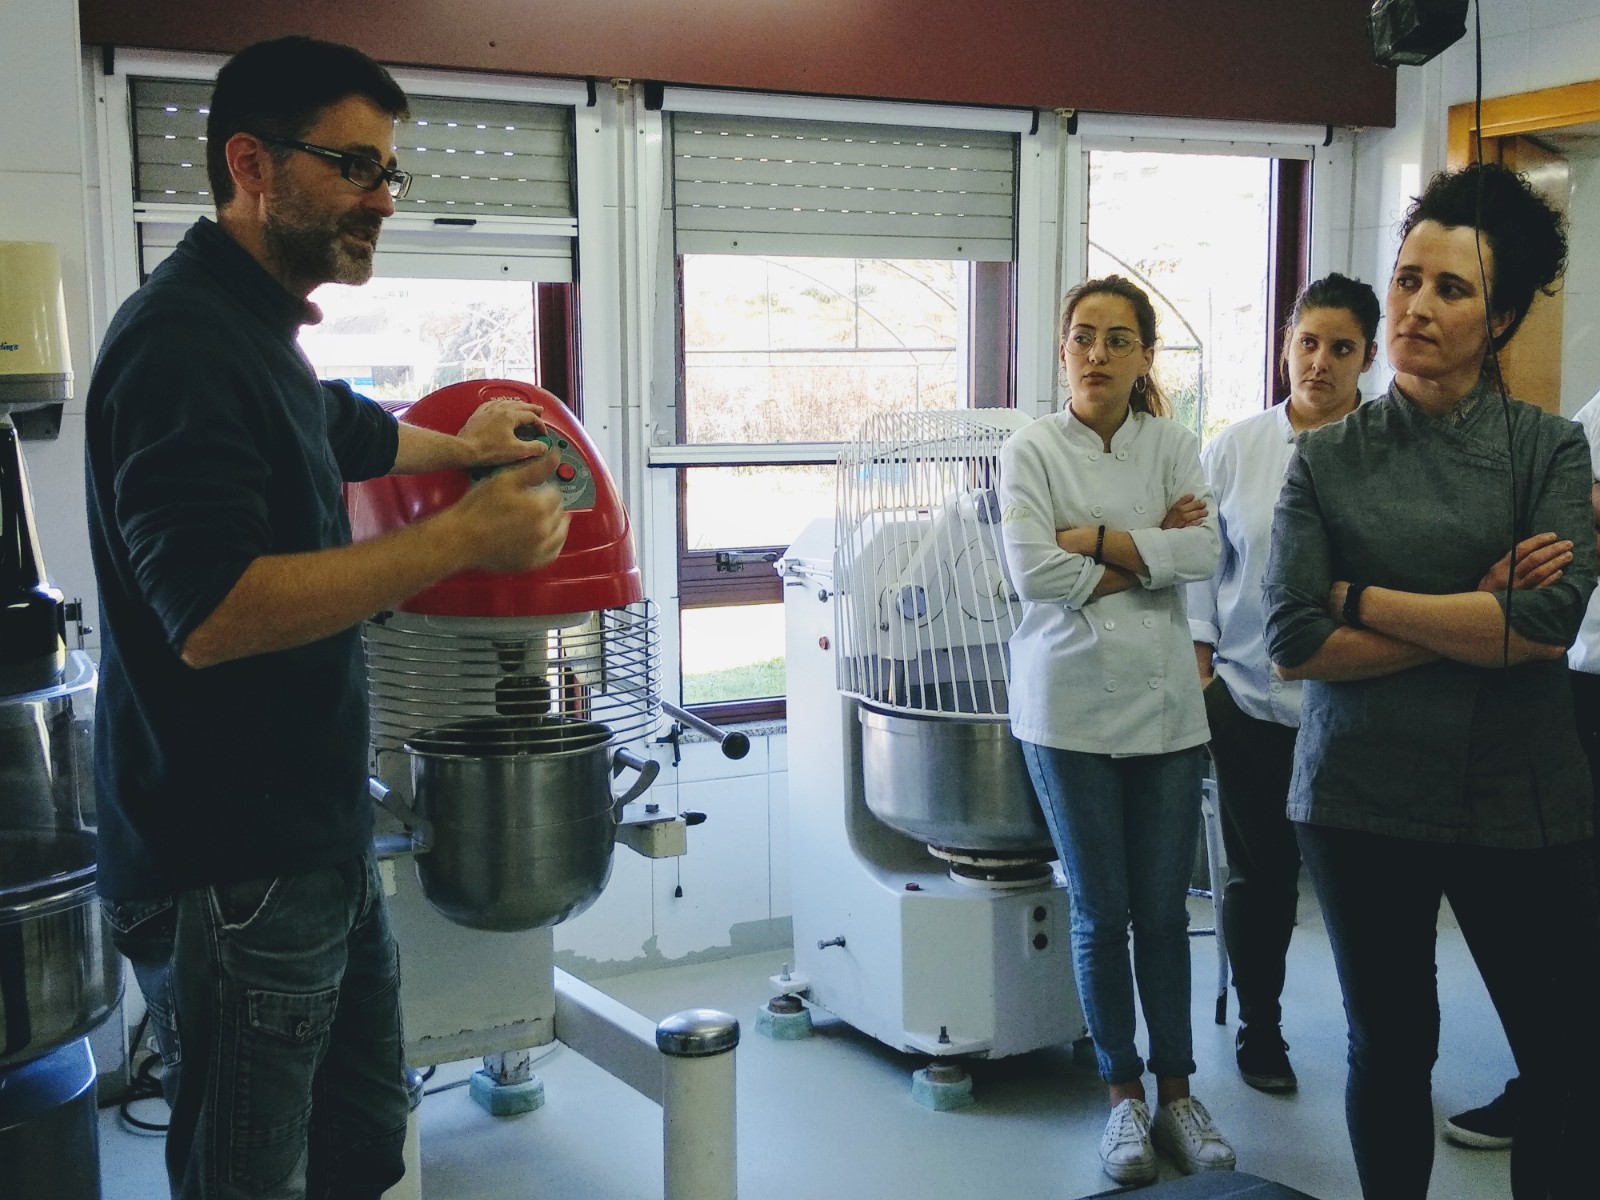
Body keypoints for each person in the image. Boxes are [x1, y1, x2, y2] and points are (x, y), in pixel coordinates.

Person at [85, 37, 571, 1200]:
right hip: (231, 864)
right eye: (353, 166)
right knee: (249, 1176)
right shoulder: (181, 344)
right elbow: (209, 612)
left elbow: (333, 425)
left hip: (311, 837)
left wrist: (459, 447)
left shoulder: (249, 327)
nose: (382, 199)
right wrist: (460, 538)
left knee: (361, 1148)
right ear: (251, 165)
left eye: (389, 170)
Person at [1263, 163, 1600, 1200]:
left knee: (1568, 1058)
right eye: (1408, 278)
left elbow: (1544, 625)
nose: (1413, 306)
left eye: (1450, 289)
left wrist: (1362, 599)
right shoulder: (1326, 459)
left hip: (1521, 796)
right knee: (1391, 1046)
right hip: (1361, 795)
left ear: (1499, 320)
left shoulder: (1550, 449)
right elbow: (1293, 638)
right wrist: (1470, 609)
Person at [999, 275, 1232, 1186]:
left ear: (1145, 358)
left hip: (1168, 711)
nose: (1097, 353)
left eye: (1118, 339)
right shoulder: (1030, 450)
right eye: (1083, 336)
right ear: (1063, 349)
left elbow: (1205, 551)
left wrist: (1090, 537)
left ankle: (1179, 1096)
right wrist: (1147, 548)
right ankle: (1122, 1098)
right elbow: (1032, 574)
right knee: (1101, 914)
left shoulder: (1175, 445)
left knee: (1164, 914)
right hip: (1066, 710)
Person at [1188, 273, 1380, 1093]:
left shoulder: (1389, 448)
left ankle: (1381, 1041)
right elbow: (1202, 567)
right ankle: (1260, 1028)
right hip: (1249, 702)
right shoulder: (1237, 449)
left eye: (1342, 347)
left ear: (1368, 357)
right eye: (1308, 343)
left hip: (1357, 704)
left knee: (1366, 886)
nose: (1320, 362)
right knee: (1260, 878)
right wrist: (1204, 670)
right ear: (1284, 349)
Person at [1443, 382, 1600, 1152]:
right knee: (1563, 906)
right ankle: (1551, 1081)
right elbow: (1565, 535)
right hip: (1581, 675)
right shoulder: (1595, 416)